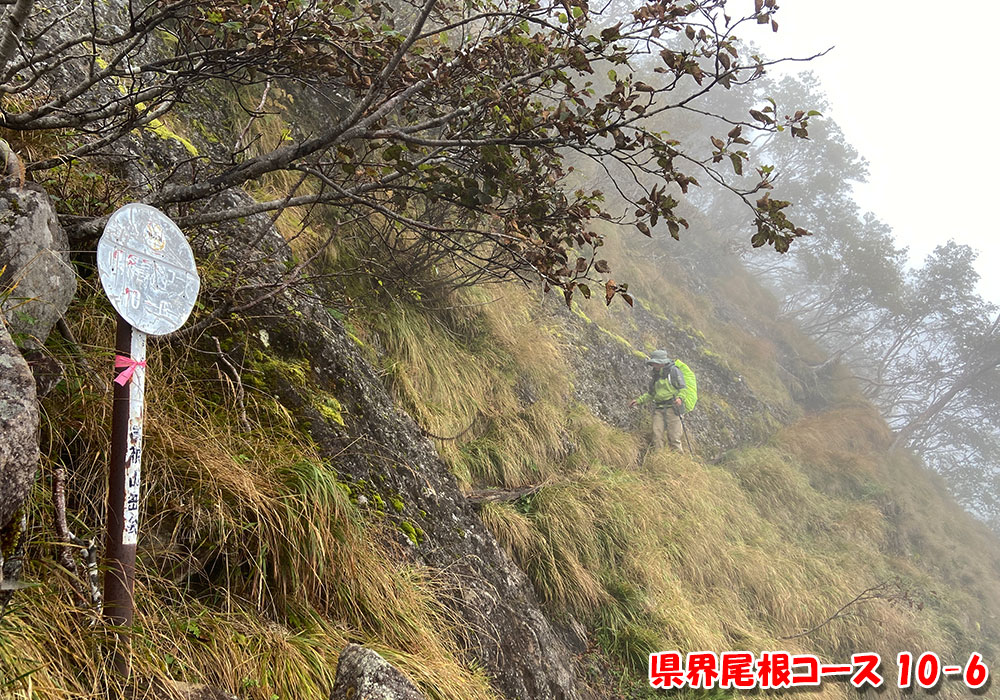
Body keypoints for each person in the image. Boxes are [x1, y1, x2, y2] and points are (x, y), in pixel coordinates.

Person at [629, 350, 697, 451]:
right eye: (653, 363)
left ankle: (678, 461)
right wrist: (639, 401)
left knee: (674, 437)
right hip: (659, 409)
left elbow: (683, 388)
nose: (653, 365)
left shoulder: (674, 372)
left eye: (655, 362)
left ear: (662, 362)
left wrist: (680, 398)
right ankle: (659, 458)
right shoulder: (655, 376)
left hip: (673, 408)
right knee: (656, 435)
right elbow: (651, 394)